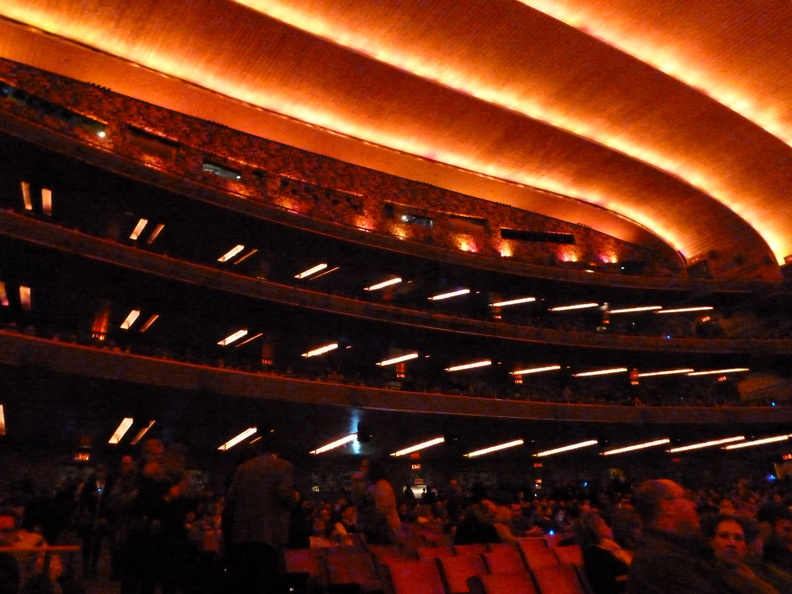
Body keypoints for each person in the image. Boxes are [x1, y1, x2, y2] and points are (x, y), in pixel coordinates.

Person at [626, 479, 733, 594]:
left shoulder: (677, 549)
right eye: (686, 498)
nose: (693, 505)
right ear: (668, 507)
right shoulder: (660, 562)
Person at [225, 437, 294, 594]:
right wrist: (295, 497)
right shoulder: (283, 466)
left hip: (243, 534)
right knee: (268, 580)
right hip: (270, 532)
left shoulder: (243, 467)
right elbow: (284, 494)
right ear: (277, 452)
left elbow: (231, 498)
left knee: (249, 581)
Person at [701, 514, 777, 594]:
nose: (732, 543)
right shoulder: (704, 576)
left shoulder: (756, 573)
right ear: (712, 542)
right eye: (724, 536)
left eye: (738, 538)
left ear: (745, 546)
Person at [577, 511, 631, 594]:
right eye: (603, 523)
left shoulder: (610, 548)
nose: (609, 527)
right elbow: (605, 585)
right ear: (595, 529)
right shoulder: (593, 554)